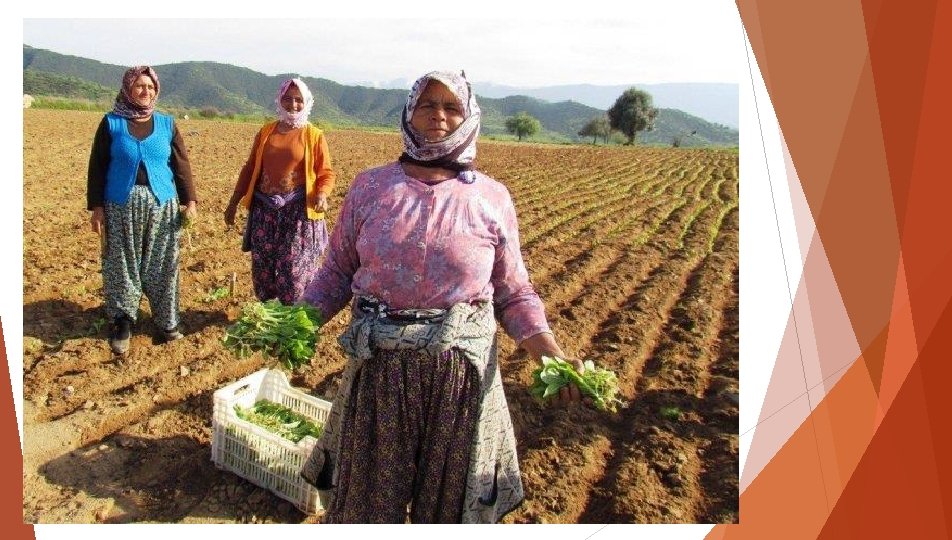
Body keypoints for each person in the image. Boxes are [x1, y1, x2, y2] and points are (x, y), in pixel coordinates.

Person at [299, 70, 583, 524]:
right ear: (409, 112)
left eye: (452, 107)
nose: (439, 116)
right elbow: (336, 272)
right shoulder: (371, 188)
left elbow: (513, 292)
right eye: (427, 105)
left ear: (468, 117)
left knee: (448, 513)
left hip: (459, 380)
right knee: (367, 509)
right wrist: (295, 322)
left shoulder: (491, 198)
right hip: (379, 374)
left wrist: (549, 354)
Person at [87, 65, 197, 355]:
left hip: (163, 206)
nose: (145, 91)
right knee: (121, 263)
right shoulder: (111, 123)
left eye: (150, 87)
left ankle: (167, 322)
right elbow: (97, 167)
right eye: (139, 86)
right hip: (120, 205)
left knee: (164, 263)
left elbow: (181, 165)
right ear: (128, 89)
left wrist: (190, 202)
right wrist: (97, 207)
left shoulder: (167, 124)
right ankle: (122, 322)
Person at [223, 78, 336, 305]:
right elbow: (250, 168)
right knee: (262, 269)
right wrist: (234, 202)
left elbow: (326, 173)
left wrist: (322, 194)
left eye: (298, 100)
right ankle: (267, 314)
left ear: (306, 102)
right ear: (279, 100)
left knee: (293, 272)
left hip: (298, 214)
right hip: (264, 211)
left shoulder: (314, 135)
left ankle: (291, 316)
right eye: (287, 99)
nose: (293, 104)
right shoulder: (266, 132)